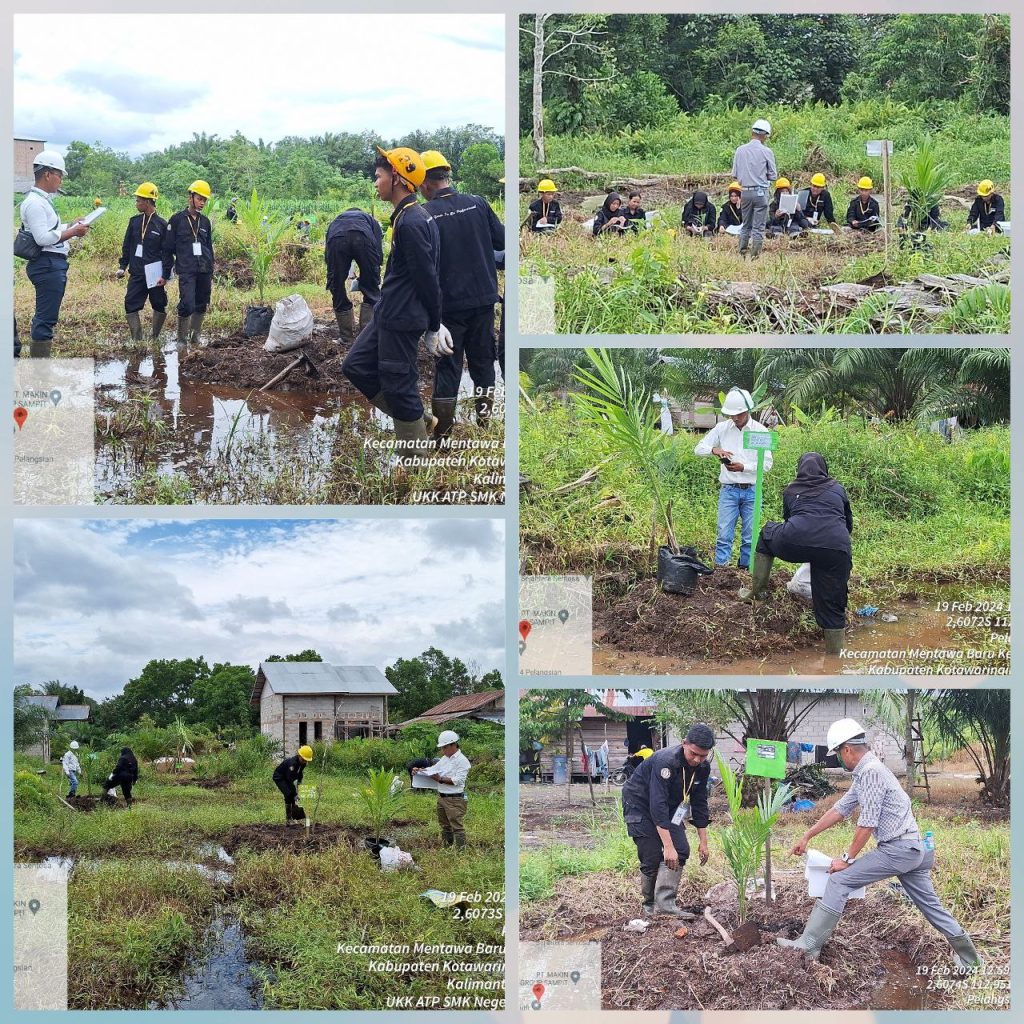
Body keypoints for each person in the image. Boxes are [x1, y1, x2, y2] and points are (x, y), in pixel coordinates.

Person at [779, 718, 982, 970]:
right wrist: (808, 834)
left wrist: (847, 859)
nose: (839, 761)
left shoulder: (872, 772)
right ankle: (970, 959)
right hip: (913, 849)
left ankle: (808, 945)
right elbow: (840, 809)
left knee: (840, 880)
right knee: (931, 906)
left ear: (847, 750)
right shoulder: (866, 773)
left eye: (838, 756)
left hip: (898, 849)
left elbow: (867, 823)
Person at [342, 147, 447, 463]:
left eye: (378, 176)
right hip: (389, 313)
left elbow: (428, 278)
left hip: (402, 319)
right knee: (355, 366)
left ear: (398, 177)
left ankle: (416, 462)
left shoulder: (413, 221)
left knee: (399, 386)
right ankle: (420, 420)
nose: (375, 182)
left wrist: (433, 325)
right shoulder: (405, 216)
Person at [420, 150, 505, 438]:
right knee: (483, 363)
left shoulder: (424, 215)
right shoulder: (477, 204)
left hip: (448, 309)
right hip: (483, 300)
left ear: (424, 181)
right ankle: (485, 425)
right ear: (447, 176)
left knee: (448, 368)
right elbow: (501, 241)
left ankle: (442, 435)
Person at [740, 452, 852, 655]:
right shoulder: (838, 489)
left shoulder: (791, 490)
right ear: (824, 469)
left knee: (767, 533)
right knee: (833, 605)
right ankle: (835, 659)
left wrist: (808, 543)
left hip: (795, 541)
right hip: (835, 547)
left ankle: (758, 592)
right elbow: (847, 524)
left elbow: (789, 520)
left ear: (799, 469)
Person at [621, 724, 713, 917]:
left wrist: (703, 842)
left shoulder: (702, 768)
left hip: (671, 807)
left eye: (703, 756)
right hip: (640, 803)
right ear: (684, 744)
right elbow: (657, 804)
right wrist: (667, 846)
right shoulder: (666, 761)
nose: (697, 760)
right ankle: (649, 907)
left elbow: (699, 802)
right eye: (694, 753)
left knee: (680, 850)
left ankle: (665, 906)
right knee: (652, 855)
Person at [18, 150, 91, 357]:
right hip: (47, 263)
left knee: (47, 316)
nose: (61, 180)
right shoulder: (34, 203)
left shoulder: (42, 200)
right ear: (48, 174)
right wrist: (73, 232)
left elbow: (50, 230)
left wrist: (70, 225)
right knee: (45, 319)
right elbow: (42, 238)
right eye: (60, 175)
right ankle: (40, 372)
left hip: (51, 263)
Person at [693, 387, 773, 570]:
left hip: (752, 490)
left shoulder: (760, 431)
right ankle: (722, 570)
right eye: (732, 415)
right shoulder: (722, 429)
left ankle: (744, 569)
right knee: (724, 533)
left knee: (750, 535)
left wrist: (743, 467)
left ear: (748, 411)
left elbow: (767, 464)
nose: (735, 418)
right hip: (729, 489)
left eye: (739, 414)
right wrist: (715, 450)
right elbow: (698, 448)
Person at [160, 180, 215, 346]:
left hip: (204, 269)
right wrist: (165, 273)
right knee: (187, 303)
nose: (202, 202)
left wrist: (211, 266)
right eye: (199, 198)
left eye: (204, 200)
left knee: (202, 303)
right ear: (190, 197)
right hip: (186, 269)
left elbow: (208, 246)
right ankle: (182, 340)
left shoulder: (205, 222)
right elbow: (167, 249)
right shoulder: (176, 220)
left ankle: (194, 337)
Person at [116, 182, 168, 342]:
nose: (136, 203)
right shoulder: (134, 222)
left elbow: (167, 252)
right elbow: (127, 245)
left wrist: (165, 274)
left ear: (147, 201)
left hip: (155, 273)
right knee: (130, 303)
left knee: (159, 304)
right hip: (137, 271)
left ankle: (154, 337)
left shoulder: (162, 225)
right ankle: (137, 339)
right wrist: (122, 266)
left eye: (139, 200)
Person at [325, 208, 383, 344]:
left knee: (337, 286)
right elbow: (378, 252)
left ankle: (346, 337)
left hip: (337, 238)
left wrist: (333, 273)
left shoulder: (335, 221)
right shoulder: (371, 221)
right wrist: (373, 271)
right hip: (363, 237)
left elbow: (328, 252)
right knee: (371, 288)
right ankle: (367, 337)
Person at [412, 729, 471, 847]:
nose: (443, 750)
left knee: (457, 827)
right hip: (442, 797)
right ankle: (447, 847)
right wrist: (420, 770)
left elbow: (458, 780)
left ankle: (461, 853)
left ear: (453, 745)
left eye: (445, 747)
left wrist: (440, 779)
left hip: (454, 799)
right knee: (445, 825)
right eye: (442, 748)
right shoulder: (445, 758)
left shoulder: (462, 761)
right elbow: (433, 769)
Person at [731, 119, 778, 258]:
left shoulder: (740, 150)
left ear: (752, 132)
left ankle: (742, 253)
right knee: (758, 227)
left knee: (746, 225)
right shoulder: (766, 151)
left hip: (745, 192)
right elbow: (773, 175)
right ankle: (755, 255)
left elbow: (735, 175)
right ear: (764, 135)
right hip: (760, 192)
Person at [273, 744, 313, 821]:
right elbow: (289, 781)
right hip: (280, 777)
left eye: (306, 760)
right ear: (299, 755)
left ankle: (295, 816)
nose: (305, 761)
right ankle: (288, 819)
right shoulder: (292, 764)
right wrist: (295, 794)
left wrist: (299, 783)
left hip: (289, 776)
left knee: (292, 796)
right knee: (288, 794)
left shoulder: (303, 763)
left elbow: (300, 773)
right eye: (303, 759)